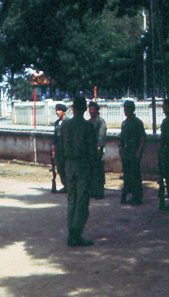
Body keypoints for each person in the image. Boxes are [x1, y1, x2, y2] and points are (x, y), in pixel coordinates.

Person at [61, 96, 96, 247]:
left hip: (69, 164)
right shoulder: (88, 126)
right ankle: (76, 234)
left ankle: (71, 233)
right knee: (81, 201)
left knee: (71, 200)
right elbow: (92, 151)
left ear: (73, 109)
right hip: (83, 165)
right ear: (84, 109)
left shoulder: (65, 126)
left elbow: (60, 148)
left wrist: (61, 169)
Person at [119, 100, 146, 205]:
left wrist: (139, 152)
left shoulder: (137, 123)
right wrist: (121, 149)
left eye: (127, 109)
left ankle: (137, 196)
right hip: (126, 153)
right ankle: (127, 194)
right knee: (127, 175)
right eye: (125, 109)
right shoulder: (125, 123)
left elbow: (142, 138)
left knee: (135, 175)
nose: (125, 111)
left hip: (134, 152)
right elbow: (121, 139)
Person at [88, 101, 107, 199]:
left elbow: (101, 135)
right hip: (90, 150)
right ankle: (92, 190)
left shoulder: (100, 121)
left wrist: (99, 147)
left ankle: (99, 191)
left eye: (92, 109)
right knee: (91, 171)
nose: (90, 111)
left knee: (98, 171)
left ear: (97, 110)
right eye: (89, 109)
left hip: (97, 150)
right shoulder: (89, 122)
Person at [51, 103, 68, 193]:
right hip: (59, 150)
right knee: (60, 168)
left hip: (66, 149)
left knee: (67, 168)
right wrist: (53, 149)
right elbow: (55, 138)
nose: (57, 112)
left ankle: (69, 186)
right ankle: (65, 185)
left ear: (64, 112)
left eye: (59, 110)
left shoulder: (68, 122)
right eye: (56, 110)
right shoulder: (57, 123)